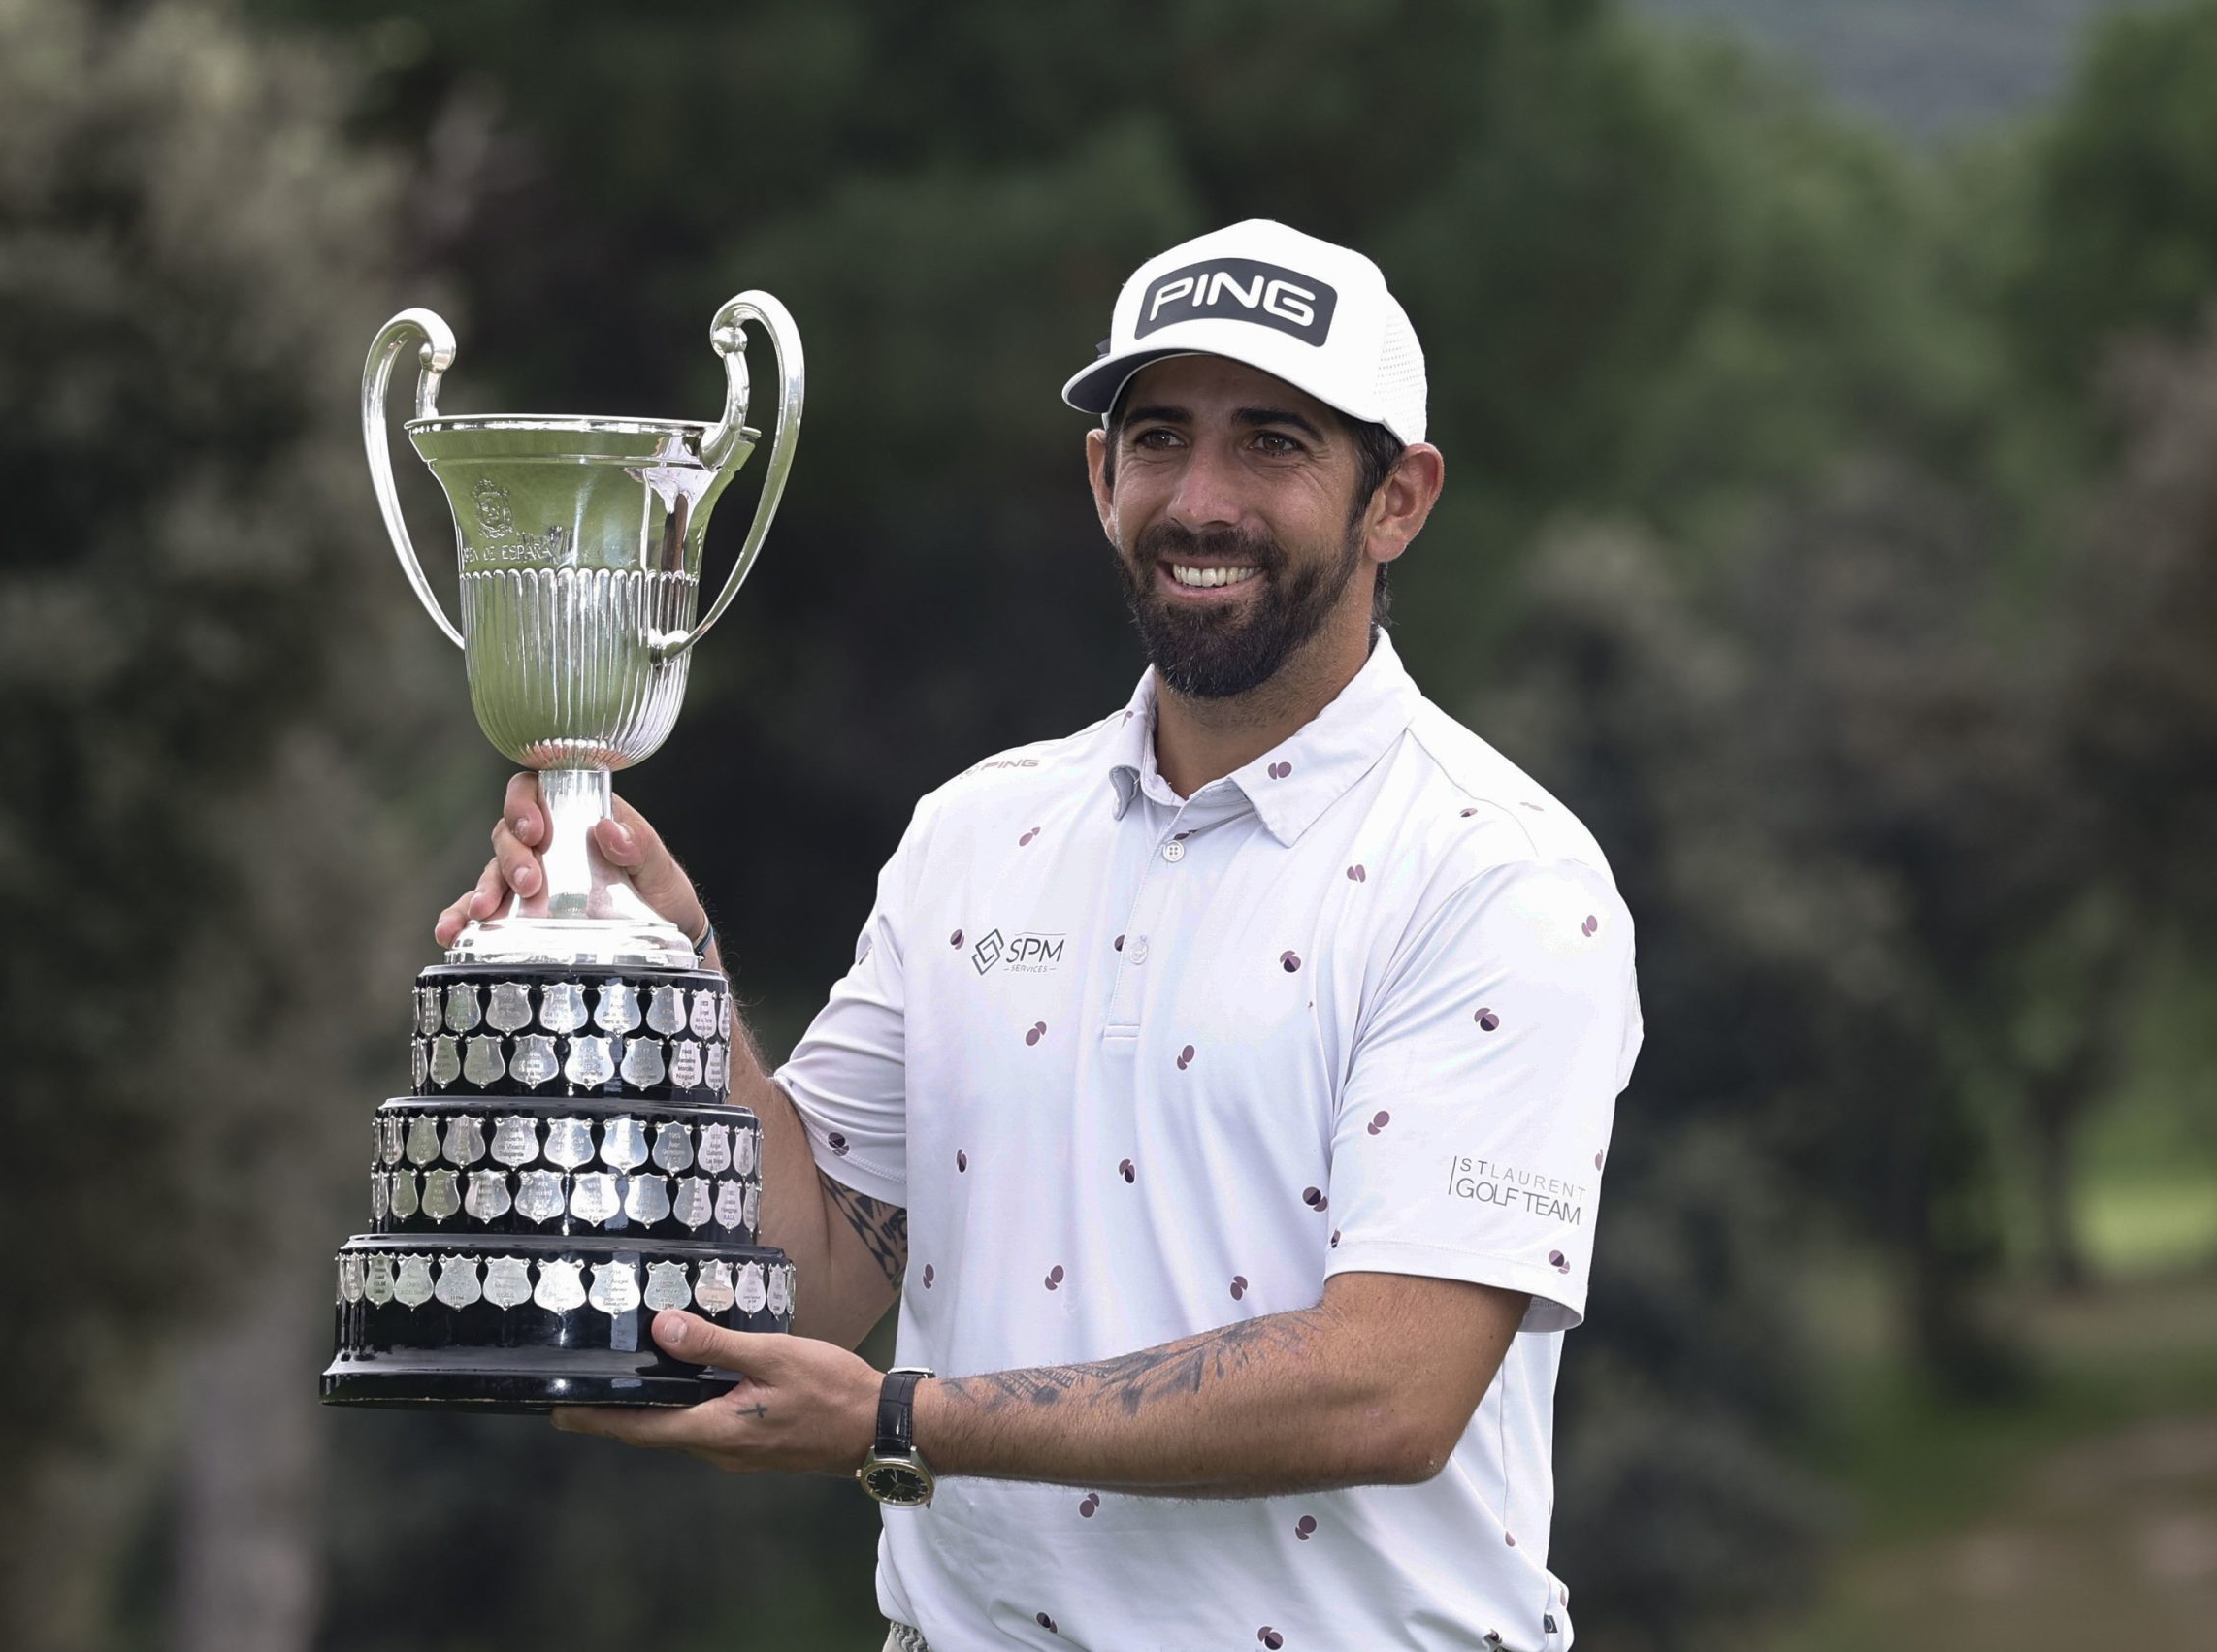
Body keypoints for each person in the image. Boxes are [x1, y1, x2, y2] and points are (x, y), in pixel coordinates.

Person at [437, 219, 1642, 1651]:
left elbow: (1390, 1388)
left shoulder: (1497, 872)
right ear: (1099, 476)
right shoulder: (975, 834)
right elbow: (816, 1273)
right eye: (1157, 439)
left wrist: (899, 1421)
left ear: (1399, 500)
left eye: (1273, 444)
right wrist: (672, 974)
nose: (1200, 500)